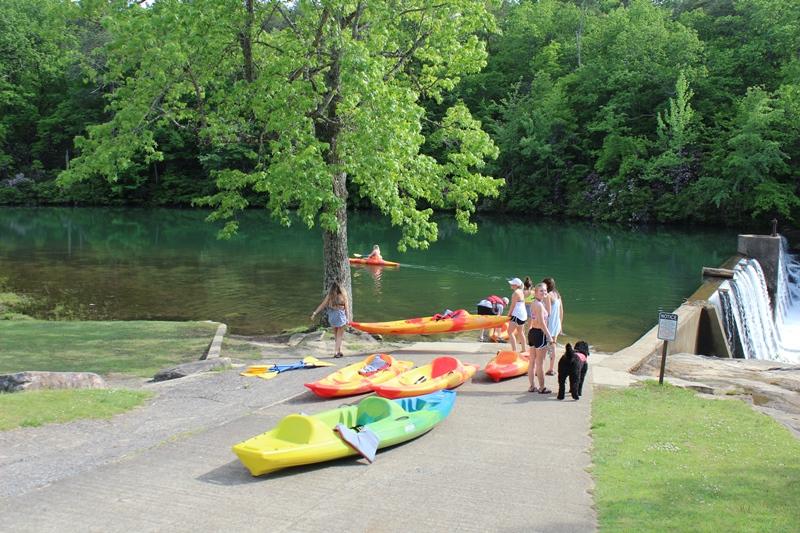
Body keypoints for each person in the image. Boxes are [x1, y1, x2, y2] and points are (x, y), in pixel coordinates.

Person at [527, 282, 554, 394]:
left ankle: (532, 386)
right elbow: (542, 323)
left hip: (532, 332)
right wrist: (549, 337)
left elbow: (547, 313)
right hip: (539, 334)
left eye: (545, 290)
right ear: (536, 292)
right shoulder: (539, 305)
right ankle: (542, 387)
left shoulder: (534, 303)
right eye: (541, 291)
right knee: (539, 363)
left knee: (532, 361)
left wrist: (546, 297)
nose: (544, 293)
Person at [311, 281, 350, 358]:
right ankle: (336, 352)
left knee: (336, 335)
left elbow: (322, 305)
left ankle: (338, 351)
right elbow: (347, 308)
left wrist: (315, 313)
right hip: (340, 317)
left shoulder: (330, 296)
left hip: (332, 317)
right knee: (339, 336)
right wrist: (347, 319)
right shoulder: (343, 295)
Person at [543, 277, 564, 376]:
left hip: (549, 324)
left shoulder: (547, 296)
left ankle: (541, 369)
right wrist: (561, 325)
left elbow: (548, 312)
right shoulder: (558, 295)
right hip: (557, 323)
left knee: (543, 346)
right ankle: (551, 368)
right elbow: (561, 311)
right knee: (553, 345)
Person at [506, 278, 528, 353]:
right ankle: (524, 349)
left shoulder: (515, 293)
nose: (510, 285)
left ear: (515, 285)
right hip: (523, 315)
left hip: (517, 314)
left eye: (512, 284)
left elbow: (512, 305)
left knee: (510, 332)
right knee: (520, 332)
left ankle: (514, 351)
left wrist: (508, 315)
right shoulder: (521, 292)